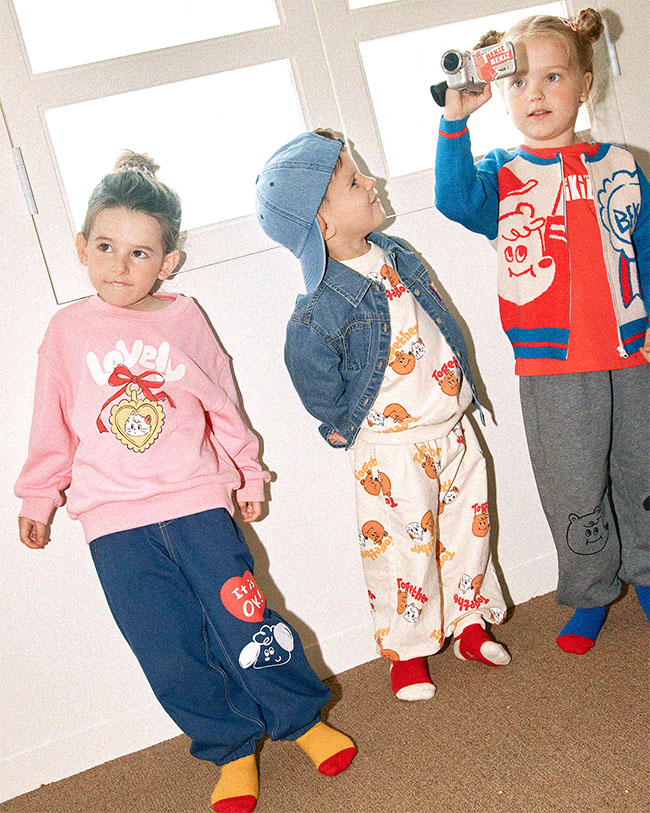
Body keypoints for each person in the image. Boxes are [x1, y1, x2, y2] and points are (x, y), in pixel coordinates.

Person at [15, 151, 356, 813]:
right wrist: (39, 493)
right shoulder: (66, 331)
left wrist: (247, 470)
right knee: (167, 648)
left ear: (167, 262)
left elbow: (221, 400)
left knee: (246, 618)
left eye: (140, 253)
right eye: (106, 247)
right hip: (114, 524)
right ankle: (229, 749)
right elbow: (50, 420)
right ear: (82, 248)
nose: (120, 265)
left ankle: (301, 719)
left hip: (198, 504)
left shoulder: (182, 317)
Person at [255, 130, 510, 704]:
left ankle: (470, 624)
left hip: (453, 428)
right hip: (393, 449)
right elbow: (313, 378)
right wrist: (346, 423)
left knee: (468, 532)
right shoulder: (320, 309)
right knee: (402, 552)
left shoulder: (397, 254)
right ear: (322, 224)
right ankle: (408, 652)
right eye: (354, 181)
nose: (372, 182)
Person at [435, 8, 650, 654]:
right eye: (520, 81)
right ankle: (590, 592)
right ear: (503, 94)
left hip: (633, 353)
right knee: (573, 484)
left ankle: (646, 573)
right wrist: (455, 121)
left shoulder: (622, 164)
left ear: (586, 85)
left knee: (642, 471)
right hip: (554, 364)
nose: (536, 93)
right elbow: (452, 199)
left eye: (553, 77)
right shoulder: (502, 175)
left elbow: (644, 246)